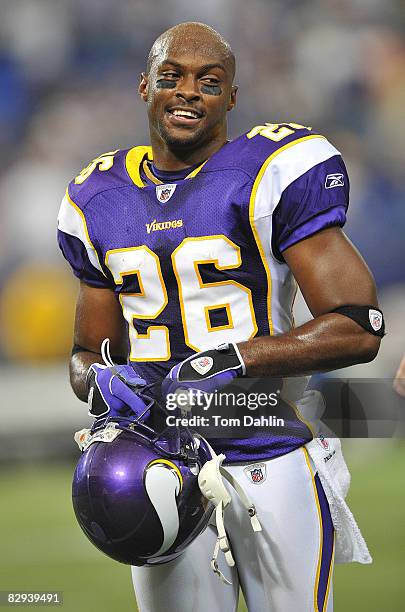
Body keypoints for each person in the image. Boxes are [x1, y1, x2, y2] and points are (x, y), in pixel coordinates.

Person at [57, 21, 384, 612]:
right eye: (171, 77)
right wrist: (101, 380)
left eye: (209, 82)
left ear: (232, 97)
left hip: (268, 446)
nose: (189, 92)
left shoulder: (269, 170)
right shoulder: (96, 197)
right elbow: (85, 354)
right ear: (143, 87)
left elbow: (359, 326)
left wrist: (232, 358)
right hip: (160, 462)